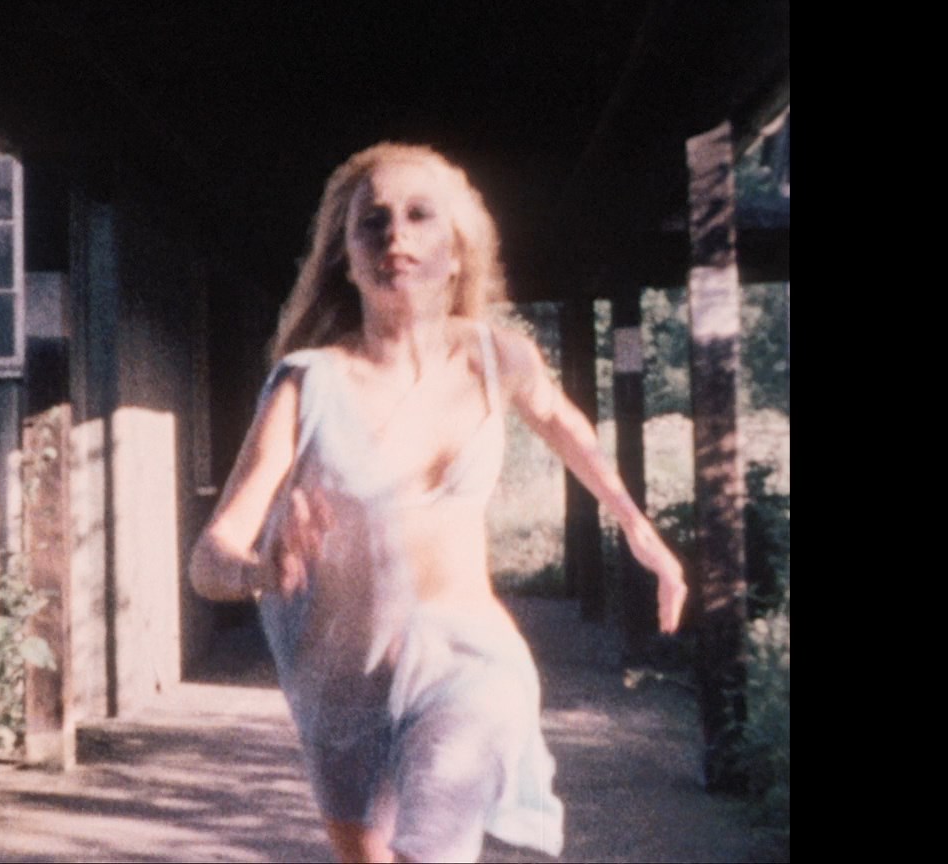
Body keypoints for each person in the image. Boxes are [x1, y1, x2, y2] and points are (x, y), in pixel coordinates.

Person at [188, 143, 687, 864]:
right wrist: (259, 569)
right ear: (345, 258)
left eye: (420, 216)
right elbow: (208, 559)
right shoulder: (306, 384)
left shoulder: (498, 358)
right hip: (342, 692)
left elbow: (566, 426)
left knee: (434, 846)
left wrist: (639, 529)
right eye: (373, 222)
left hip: (471, 662)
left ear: (456, 252)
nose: (396, 236)